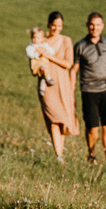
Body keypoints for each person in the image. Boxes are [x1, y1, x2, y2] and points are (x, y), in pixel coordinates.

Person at [70, 12, 106, 165]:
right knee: (92, 127)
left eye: (98, 25)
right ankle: (91, 155)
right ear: (88, 25)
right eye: (92, 25)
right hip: (89, 91)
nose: (95, 28)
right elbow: (74, 70)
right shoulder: (80, 46)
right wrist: (71, 92)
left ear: (103, 26)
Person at [37, 11, 78, 163]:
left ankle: (60, 152)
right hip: (47, 85)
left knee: (61, 119)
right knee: (53, 118)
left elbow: (68, 63)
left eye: (59, 26)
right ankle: (58, 154)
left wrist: (48, 56)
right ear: (48, 24)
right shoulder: (41, 41)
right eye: (54, 26)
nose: (56, 29)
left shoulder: (66, 40)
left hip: (62, 83)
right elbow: (34, 61)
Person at [25, 27, 55, 96]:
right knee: (43, 69)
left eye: (38, 38)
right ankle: (49, 79)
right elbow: (29, 54)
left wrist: (45, 52)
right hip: (37, 64)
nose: (36, 40)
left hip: (44, 63)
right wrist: (37, 55)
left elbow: (51, 51)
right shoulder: (31, 47)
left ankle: (42, 89)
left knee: (42, 76)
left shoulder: (44, 45)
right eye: (34, 38)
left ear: (42, 38)